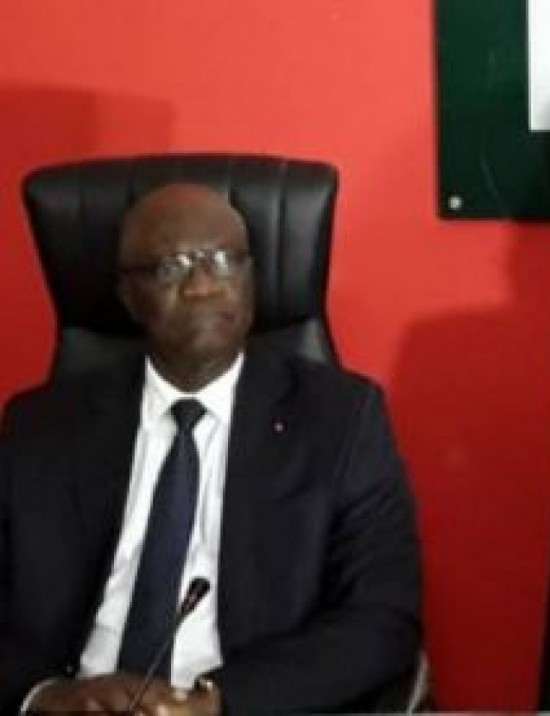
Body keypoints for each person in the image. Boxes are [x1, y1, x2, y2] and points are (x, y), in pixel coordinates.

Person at [0, 184, 422, 714]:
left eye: (223, 261)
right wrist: (48, 695)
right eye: (170, 268)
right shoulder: (42, 425)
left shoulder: (340, 420)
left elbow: (383, 620)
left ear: (252, 279)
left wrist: (220, 702)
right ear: (128, 296)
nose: (201, 286)